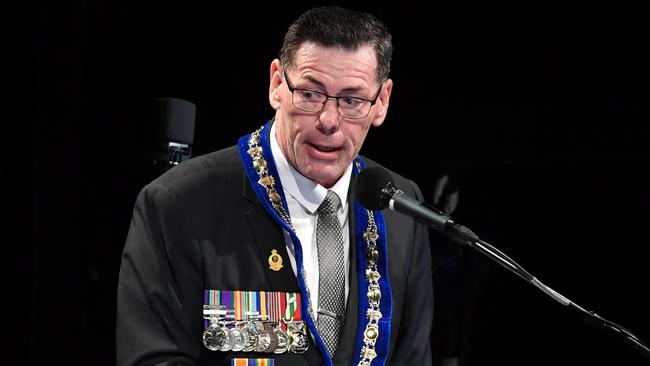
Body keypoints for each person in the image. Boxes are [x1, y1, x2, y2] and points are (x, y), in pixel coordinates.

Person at [117, 6, 433, 366]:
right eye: (310, 94)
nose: (329, 121)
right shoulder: (178, 204)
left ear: (382, 102)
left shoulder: (402, 208)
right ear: (277, 84)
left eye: (351, 100)